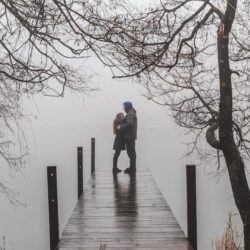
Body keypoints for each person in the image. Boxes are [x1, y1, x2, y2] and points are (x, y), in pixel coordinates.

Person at [120, 101, 137, 174]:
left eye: (124, 107)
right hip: (131, 136)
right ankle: (132, 167)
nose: (123, 108)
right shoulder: (131, 113)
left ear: (127, 106)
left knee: (131, 152)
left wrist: (122, 127)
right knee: (131, 152)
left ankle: (132, 168)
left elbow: (130, 124)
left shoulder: (130, 114)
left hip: (129, 136)